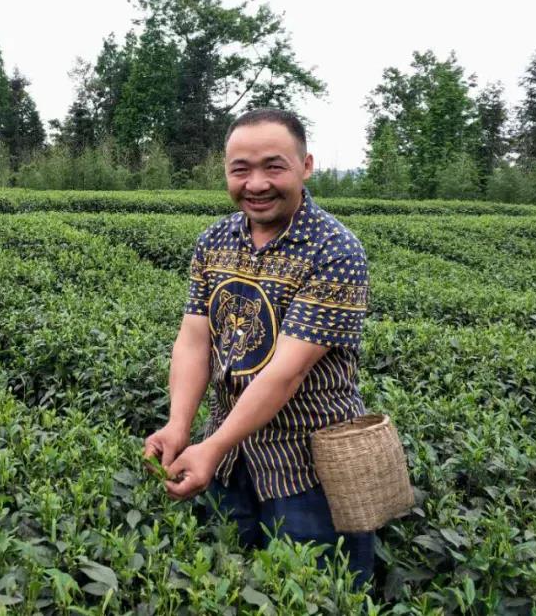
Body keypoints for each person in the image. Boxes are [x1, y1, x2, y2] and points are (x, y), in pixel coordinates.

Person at [143, 107, 375, 590]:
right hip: (231, 458)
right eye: (240, 170)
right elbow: (194, 339)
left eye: (274, 166)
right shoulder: (215, 240)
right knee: (230, 582)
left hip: (308, 466)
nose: (256, 184)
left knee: (316, 592)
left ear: (306, 166)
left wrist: (211, 447)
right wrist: (180, 426)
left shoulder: (334, 251)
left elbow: (284, 374)